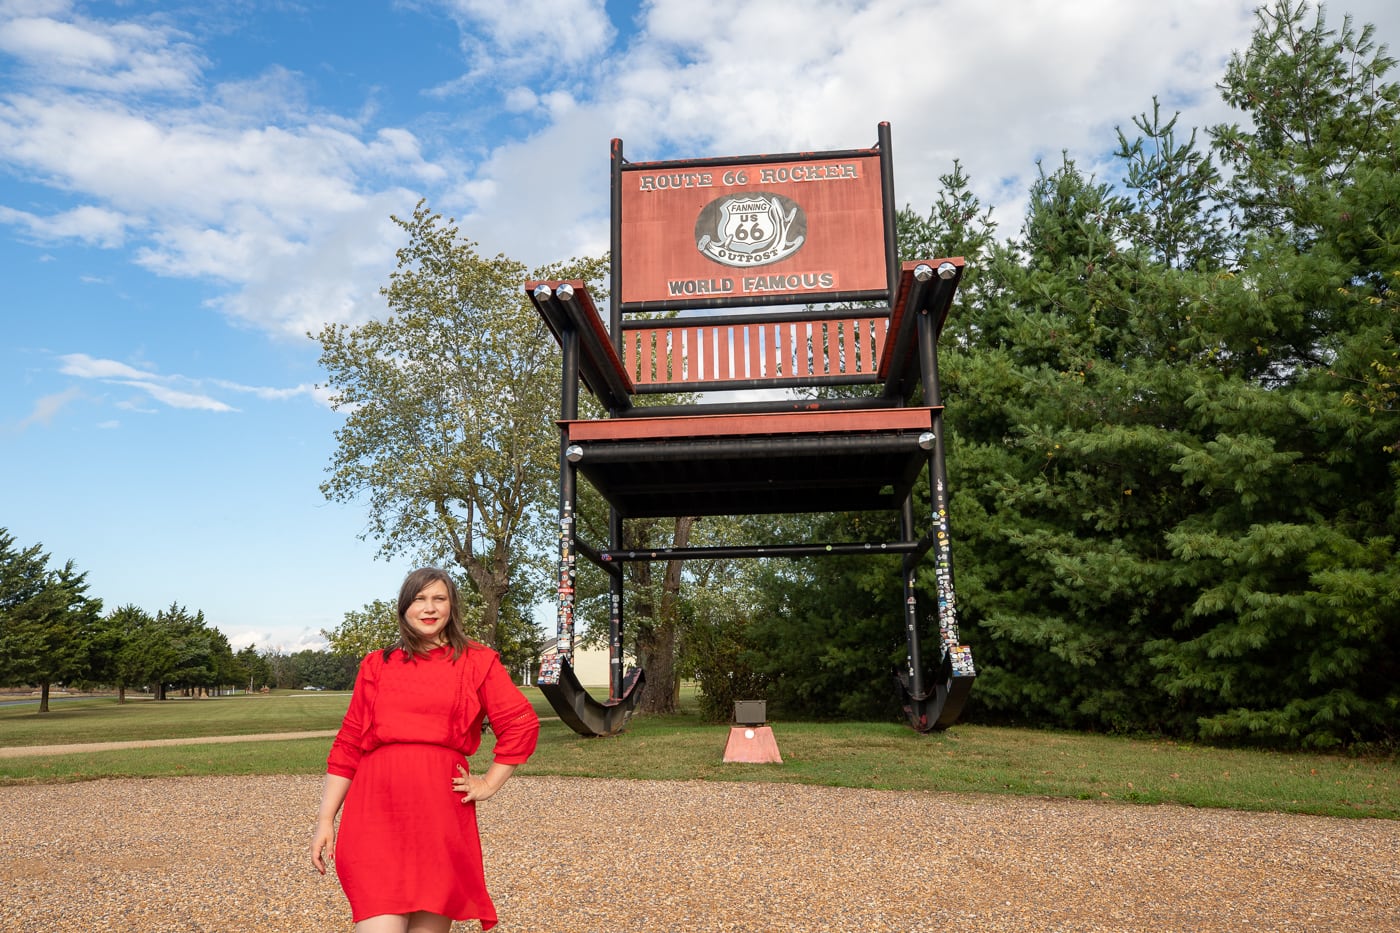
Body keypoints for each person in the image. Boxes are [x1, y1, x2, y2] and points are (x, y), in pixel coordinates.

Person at [310, 567, 540, 933]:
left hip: (439, 813)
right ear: (404, 608)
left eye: (439, 599)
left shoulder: (478, 661)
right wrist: (325, 820)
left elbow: (520, 723)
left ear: (452, 607)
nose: (429, 608)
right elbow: (349, 743)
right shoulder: (377, 664)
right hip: (375, 810)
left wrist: (490, 784)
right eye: (419, 599)